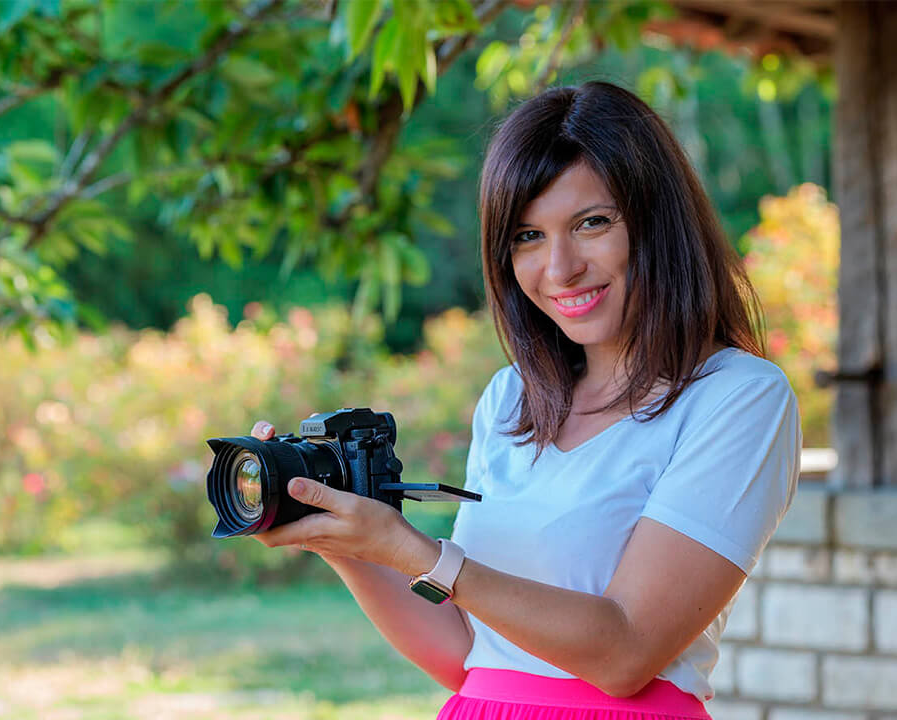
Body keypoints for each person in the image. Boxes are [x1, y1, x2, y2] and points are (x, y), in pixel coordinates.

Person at [249, 81, 801, 718]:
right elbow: (464, 657)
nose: (559, 268)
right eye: (527, 236)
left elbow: (626, 654)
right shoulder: (512, 398)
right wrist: (338, 539)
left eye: (591, 223)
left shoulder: (738, 398)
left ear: (658, 224)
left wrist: (415, 551)